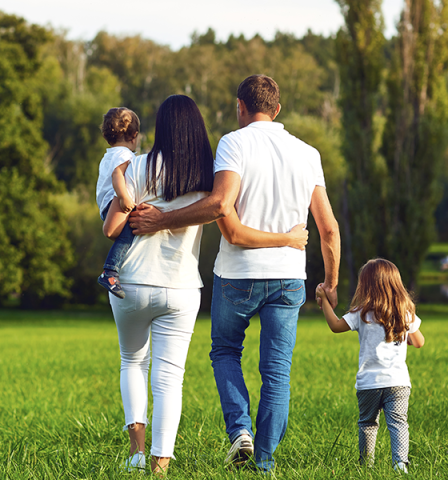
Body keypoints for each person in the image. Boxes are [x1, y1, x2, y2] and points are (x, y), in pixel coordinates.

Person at [128, 75, 341, 473]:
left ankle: (240, 433)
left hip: (237, 275)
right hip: (289, 277)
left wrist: (161, 220)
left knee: (225, 351)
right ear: (277, 109)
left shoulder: (233, 143)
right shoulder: (307, 153)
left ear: (240, 106)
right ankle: (264, 462)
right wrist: (330, 283)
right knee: (277, 370)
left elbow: (220, 204)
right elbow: (328, 228)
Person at [316, 258, 425, 474]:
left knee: (367, 424)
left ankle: (366, 466)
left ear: (365, 285)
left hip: (369, 383)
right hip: (398, 382)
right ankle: (400, 465)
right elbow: (419, 342)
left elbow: (336, 326)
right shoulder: (405, 312)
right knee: (398, 423)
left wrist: (324, 301)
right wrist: (404, 336)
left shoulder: (362, 312)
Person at [96, 107, 139, 299]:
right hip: (116, 203)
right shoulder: (125, 156)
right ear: (134, 136)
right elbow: (117, 175)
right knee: (128, 233)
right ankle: (110, 271)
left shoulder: (108, 155)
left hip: (106, 206)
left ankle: (114, 270)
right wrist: (123, 197)